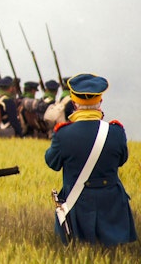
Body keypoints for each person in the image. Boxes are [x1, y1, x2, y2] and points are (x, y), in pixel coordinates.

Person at [45, 73, 137, 246]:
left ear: (74, 103)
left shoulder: (63, 134)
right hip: (113, 208)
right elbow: (122, 159)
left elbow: (52, 162)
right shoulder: (116, 132)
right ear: (100, 102)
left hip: (78, 207)